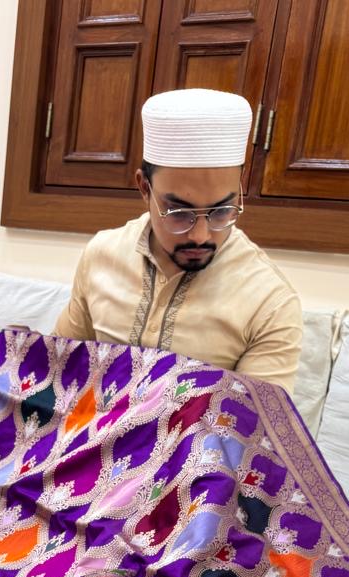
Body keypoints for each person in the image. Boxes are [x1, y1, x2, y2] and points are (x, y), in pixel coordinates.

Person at [54, 88, 303, 393]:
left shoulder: (269, 300)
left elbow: (256, 419)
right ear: (144, 188)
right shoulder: (101, 255)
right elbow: (60, 371)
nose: (200, 235)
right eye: (179, 213)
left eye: (221, 211)